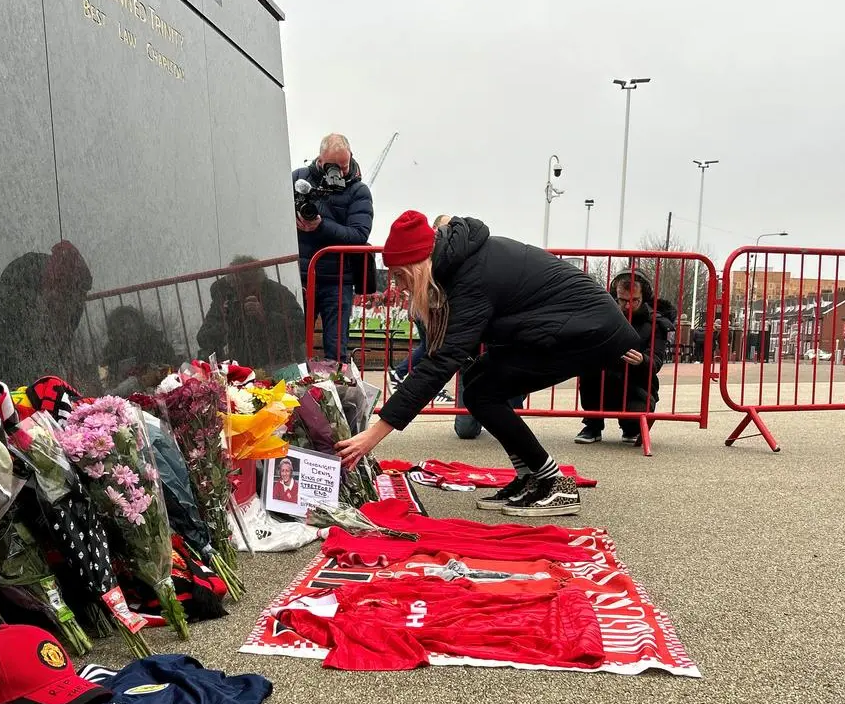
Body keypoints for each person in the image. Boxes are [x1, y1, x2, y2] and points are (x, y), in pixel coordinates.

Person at [335, 211, 643, 517]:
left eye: (401, 275)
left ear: (419, 267)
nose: (399, 286)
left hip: (587, 329)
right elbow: (444, 352)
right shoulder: (457, 263)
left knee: (484, 392)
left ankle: (554, 482)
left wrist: (374, 434)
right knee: (479, 381)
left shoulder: (470, 276)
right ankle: (530, 476)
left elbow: (441, 363)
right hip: (568, 324)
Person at [294, 133, 375, 363]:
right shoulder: (297, 179)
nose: (340, 171)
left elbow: (359, 235)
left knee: (336, 349)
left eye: (344, 165)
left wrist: (320, 226)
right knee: (292, 346)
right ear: (320, 159)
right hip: (301, 278)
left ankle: (337, 395)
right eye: (334, 165)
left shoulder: (359, 191)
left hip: (337, 281)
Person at [575, 270, 676, 446]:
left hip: (636, 384)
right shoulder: (603, 315)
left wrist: (642, 360)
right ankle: (593, 424)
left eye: (634, 300)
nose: (628, 306)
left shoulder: (656, 323)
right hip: (604, 378)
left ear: (644, 296)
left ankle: (631, 426)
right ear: (615, 295)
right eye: (622, 300)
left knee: (633, 426)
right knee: (589, 370)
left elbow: (657, 361)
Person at [197, 256, 305, 371]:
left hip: (280, 364)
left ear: (259, 282)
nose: (242, 292)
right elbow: (203, 339)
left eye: (247, 286)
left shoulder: (278, 294)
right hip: (241, 372)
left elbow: (301, 331)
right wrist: (224, 321)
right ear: (231, 285)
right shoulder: (225, 299)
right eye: (237, 286)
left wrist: (265, 316)